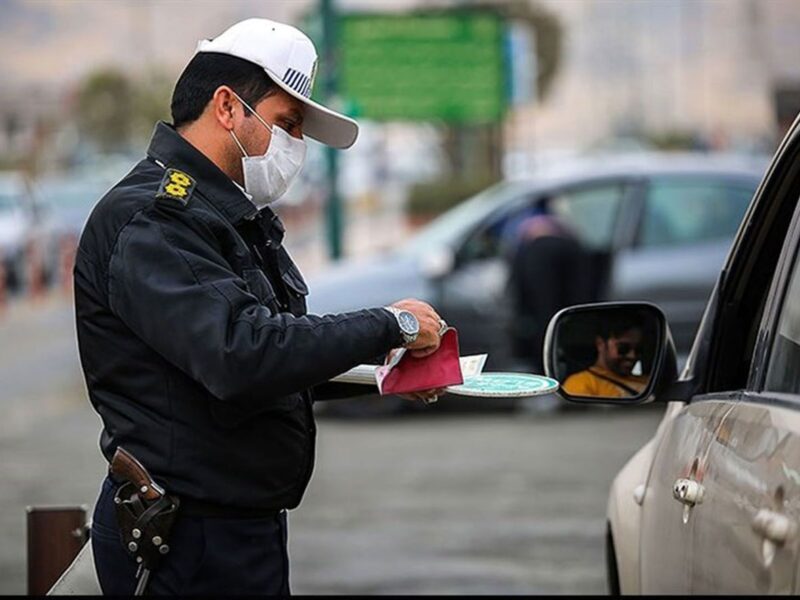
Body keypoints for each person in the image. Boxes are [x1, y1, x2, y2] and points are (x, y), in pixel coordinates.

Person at [74, 18, 446, 595]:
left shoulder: (224, 215)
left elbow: (271, 355)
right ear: (227, 106)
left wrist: (378, 376)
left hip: (234, 531)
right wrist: (390, 323)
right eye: (286, 124)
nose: (294, 147)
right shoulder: (155, 218)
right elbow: (239, 354)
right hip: (184, 538)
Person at [506, 199, 594, 373]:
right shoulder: (564, 223)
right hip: (556, 266)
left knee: (544, 317)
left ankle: (546, 370)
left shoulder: (520, 219)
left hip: (542, 264)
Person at [561, 315, 649, 397]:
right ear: (600, 344)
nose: (632, 356)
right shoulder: (581, 383)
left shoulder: (649, 381)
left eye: (639, 350)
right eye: (623, 348)